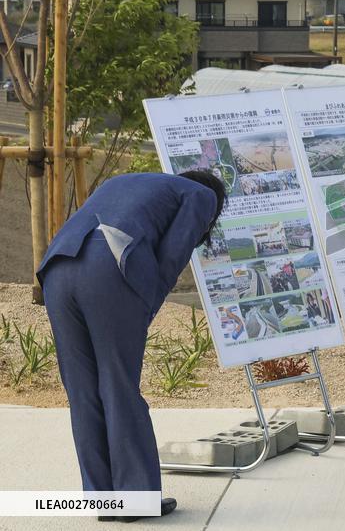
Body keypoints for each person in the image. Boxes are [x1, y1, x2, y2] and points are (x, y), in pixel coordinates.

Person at [37, 170, 227, 522]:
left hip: (57, 267)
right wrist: (143, 309)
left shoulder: (129, 182)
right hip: (107, 267)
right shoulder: (202, 196)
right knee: (118, 386)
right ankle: (135, 500)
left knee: (82, 391)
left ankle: (102, 500)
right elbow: (170, 259)